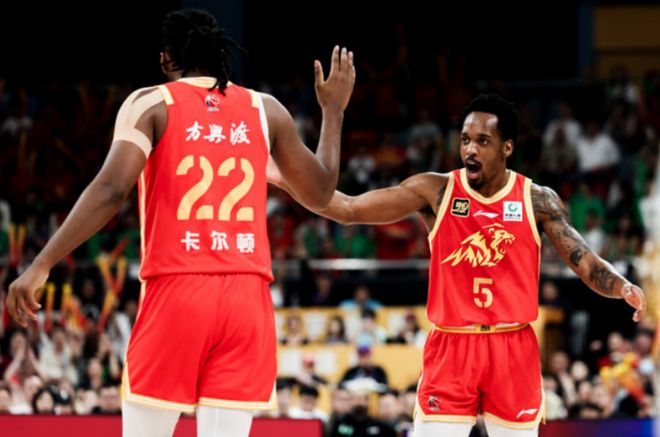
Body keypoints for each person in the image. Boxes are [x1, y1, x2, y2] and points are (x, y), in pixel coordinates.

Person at [6, 8, 355, 437]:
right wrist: (333, 111)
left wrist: (42, 263)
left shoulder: (151, 102)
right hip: (247, 298)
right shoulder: (266, 111)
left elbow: (111, 190)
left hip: (178, 289)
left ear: (166, 59)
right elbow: (320, 192)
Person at [269, 94, 646, 437]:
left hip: (512, 345)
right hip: (452, 344)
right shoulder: (435, 191)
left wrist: (621, 286)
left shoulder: (536, 199)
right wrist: (288, 177)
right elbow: (348, 209)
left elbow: (585, 261)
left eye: (483, 141)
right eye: (465, 140)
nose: (470, 149)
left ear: (507, 147)